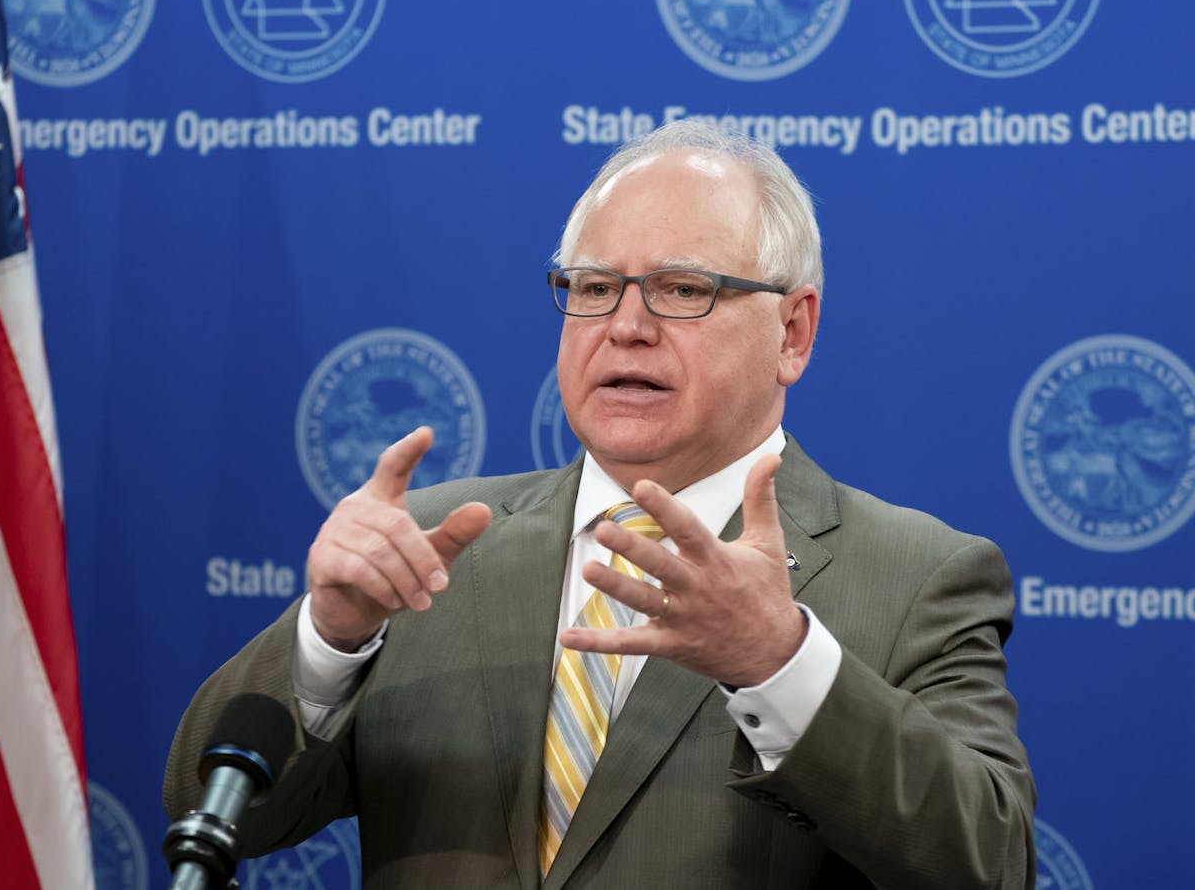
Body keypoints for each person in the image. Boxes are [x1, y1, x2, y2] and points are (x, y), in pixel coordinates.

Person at [163, 120, 1036, 889]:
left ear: (794, 331)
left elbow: (988, 864)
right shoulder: (434, 548)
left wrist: (778, 662)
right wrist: (331, 637)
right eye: (592, 287)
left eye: (684, 288)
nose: (625, 325)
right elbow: (213, 818)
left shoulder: (920, 575)